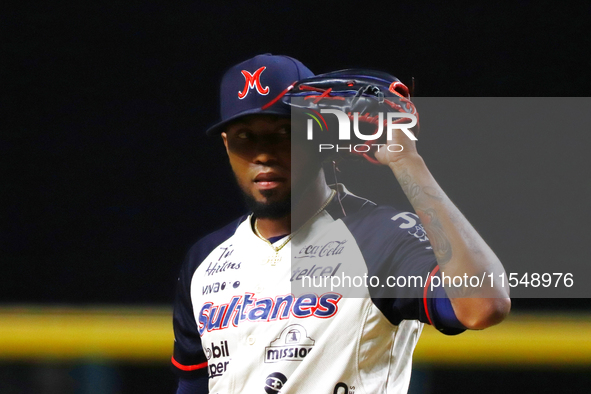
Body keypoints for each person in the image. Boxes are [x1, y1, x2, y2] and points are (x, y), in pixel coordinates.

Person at [171, 54, 511, 394]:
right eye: (246, 136)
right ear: (227, 145)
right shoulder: (205, 259)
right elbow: (194, 386)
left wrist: (406, 160)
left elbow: (482, 306)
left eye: (284, 131)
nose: (263, 154)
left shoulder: (381, 235)